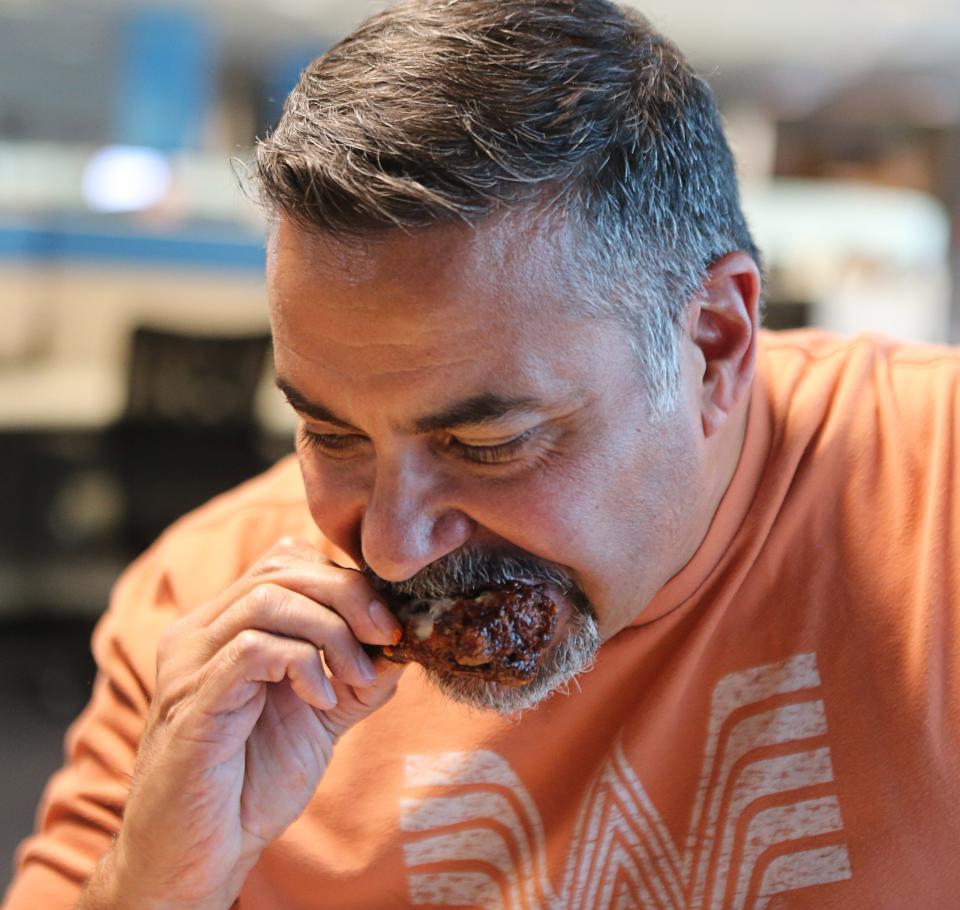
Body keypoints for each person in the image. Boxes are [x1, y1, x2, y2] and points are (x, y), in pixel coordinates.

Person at [4, 0, 959, 907]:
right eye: (332, 433)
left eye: (485, 443)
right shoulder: (211, 622)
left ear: (712, 342)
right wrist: (166, 881)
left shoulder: (934, 490)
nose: (390, 545)